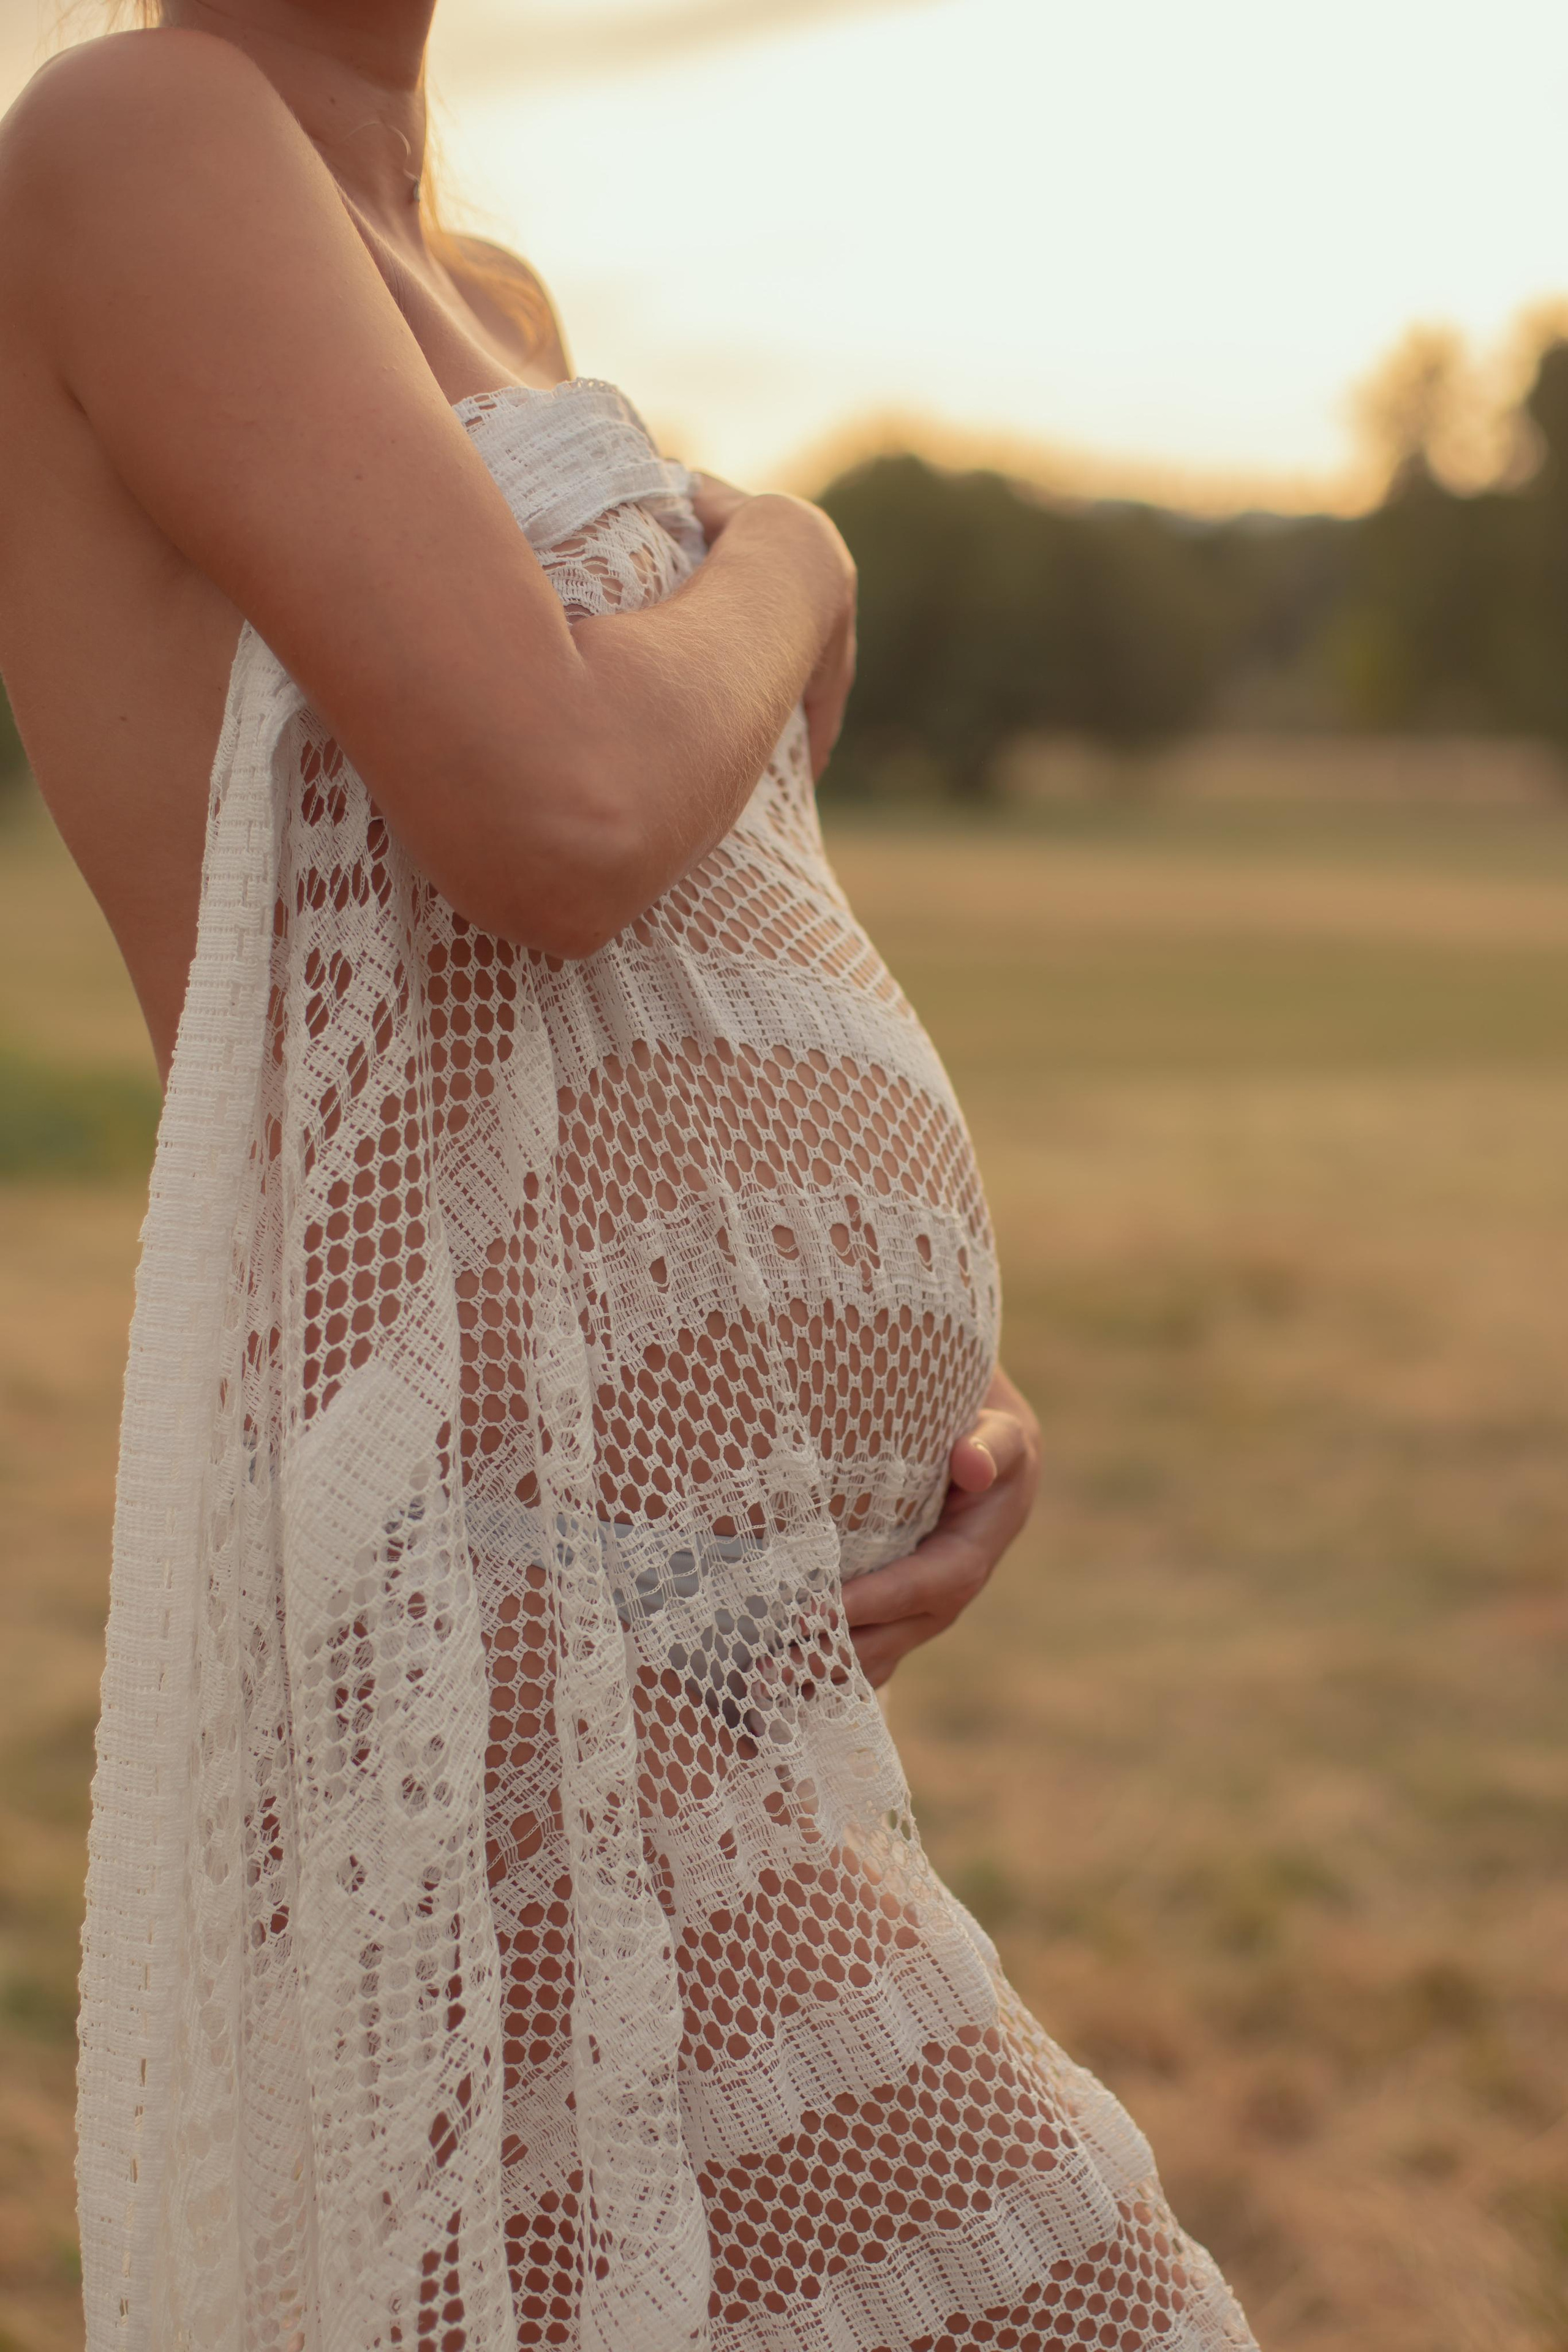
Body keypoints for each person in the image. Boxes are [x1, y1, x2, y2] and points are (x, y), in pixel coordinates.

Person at [0, 6, 1256, 2347]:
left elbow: (640, 996)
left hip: (707, 1613)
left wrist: (907, 1399)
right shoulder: (130, 138)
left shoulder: (489, 288)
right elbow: (559, 811)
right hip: (492, 1609)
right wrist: (790, 553)